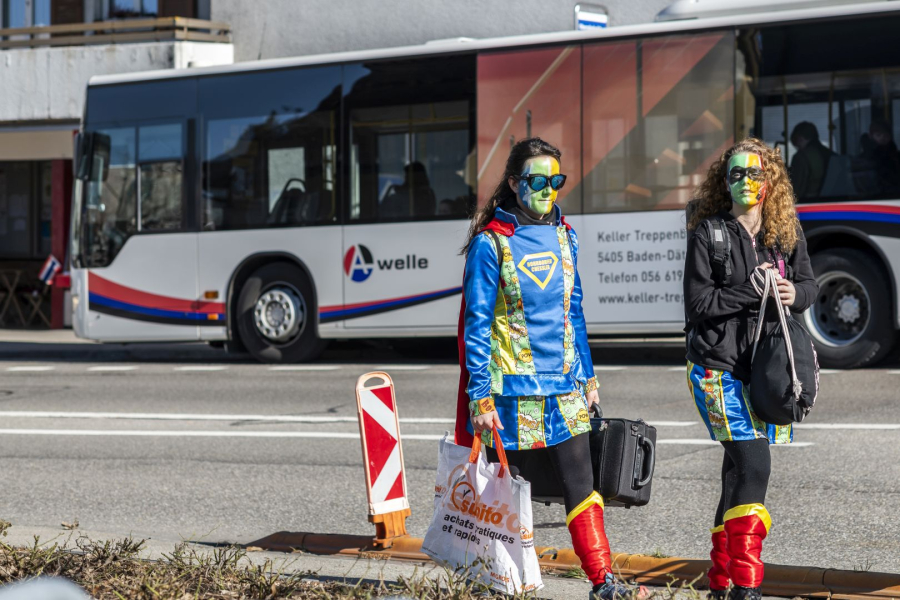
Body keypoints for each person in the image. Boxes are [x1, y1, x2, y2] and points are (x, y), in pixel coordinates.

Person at [455, 137, 644, 600]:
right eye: (537, 180)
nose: (547, 189)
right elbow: (476, 326)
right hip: (511, 393)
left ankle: (603, 581)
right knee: (506, 497)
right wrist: (480, 397)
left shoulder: (565, 236)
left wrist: (589, 378)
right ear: (514, 183)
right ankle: (500, 584)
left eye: (555, 180)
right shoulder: (489, 244)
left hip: (564, 387)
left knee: (583, 485)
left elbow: (573, 313)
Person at [684, 139, 818, 600]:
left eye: (755, 173)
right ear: (725, 183)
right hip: (715, 367)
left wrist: (793, 294)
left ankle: (720, 584)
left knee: (735, 474)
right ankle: (746, 586)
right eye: (736, 174)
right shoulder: (709, 233)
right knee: (755, 464)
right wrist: (754, 290)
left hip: (764, 369)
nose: (746, 181)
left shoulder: (785, 229)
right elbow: (698, 304)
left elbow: (809, 284)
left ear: (769, 180)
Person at [789, 121, 833, 199]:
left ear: (800, 138)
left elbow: (796, 189)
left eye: (797, 145)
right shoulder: (830, 154)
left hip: (808, 200)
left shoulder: (800, 157)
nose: (798, 148)